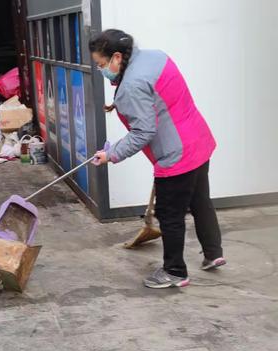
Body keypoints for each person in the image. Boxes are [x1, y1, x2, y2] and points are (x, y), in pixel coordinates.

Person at [90, 29, 226, 289]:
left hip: (175, 155)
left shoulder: (131, 85)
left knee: (169, 213)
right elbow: (157, 97)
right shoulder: (154, 58)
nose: (101, 69)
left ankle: (175, 271)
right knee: (199, 200)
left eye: (101, 64)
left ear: (117, 57)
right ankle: (213, 253)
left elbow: (144, 131)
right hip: (197, 139)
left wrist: (111, 154)